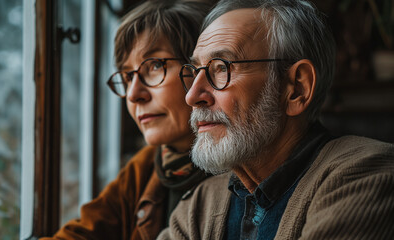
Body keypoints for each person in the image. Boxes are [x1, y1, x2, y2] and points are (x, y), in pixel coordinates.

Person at [157, 0, 394, 239]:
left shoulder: (366, 176)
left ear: (296, 88)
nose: (192, 96)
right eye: (196, 70)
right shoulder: (199, 206)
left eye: (221, 68)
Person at [40, 1, 212, 239]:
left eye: (154, 66)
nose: (133, 94)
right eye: (128, 76)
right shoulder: (147, 166)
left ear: (200, 70)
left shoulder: (244, 173)